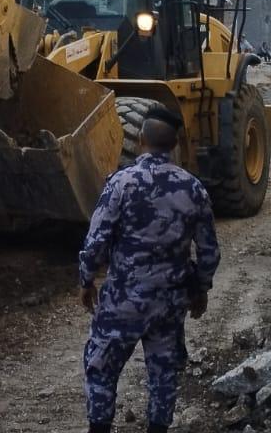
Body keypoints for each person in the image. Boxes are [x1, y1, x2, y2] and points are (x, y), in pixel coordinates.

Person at [79, 106, 220, 433]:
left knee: (101, 370)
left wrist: (86, 280)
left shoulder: (121, 183)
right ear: (174, 145)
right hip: (169, 303)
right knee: (163, 374)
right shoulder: (193, 188)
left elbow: (97, 239)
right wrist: (200, 289)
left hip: (122, 301)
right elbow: (209, 251)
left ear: (141, 139)